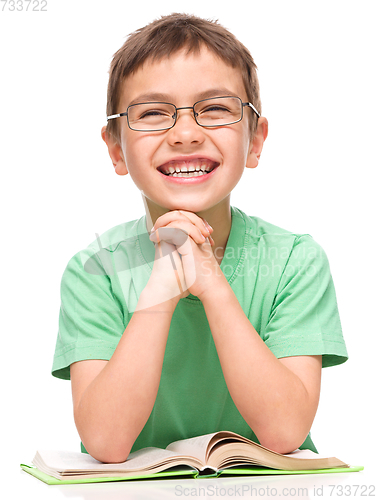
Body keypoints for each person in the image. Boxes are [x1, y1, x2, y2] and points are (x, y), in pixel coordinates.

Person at [52, 13, 348, 463]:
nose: (185, 134)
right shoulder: (95, 271)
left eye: (214, 109)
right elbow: (106, 443)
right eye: (152, 113)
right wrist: (158, 292)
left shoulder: (295, 261)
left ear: (255, 141)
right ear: (115, 149)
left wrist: (212, 285)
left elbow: (285, 430)